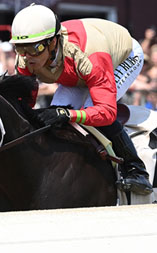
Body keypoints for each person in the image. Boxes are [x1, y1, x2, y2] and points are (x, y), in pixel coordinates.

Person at [9, 4, 153, 195]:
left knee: (89, 108)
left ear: (53, 42)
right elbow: (23, 106)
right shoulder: (25, 59)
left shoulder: (90, 57)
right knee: (53, 116)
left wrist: (68, 114)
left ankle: (136, 169)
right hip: (75, 69)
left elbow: (107, 112)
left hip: (122, 57)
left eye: (34, 49)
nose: (27, 57)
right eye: (20, 48)